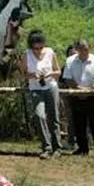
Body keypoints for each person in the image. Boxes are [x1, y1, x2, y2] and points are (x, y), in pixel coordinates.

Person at [18, 30, 63, 159]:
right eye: (35, 48)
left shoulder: (50, 52)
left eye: (40, 47)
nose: (38, 50)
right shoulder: (26, 55)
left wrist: (49, 74)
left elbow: (58, 71)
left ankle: (57, 147)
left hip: (50, 86)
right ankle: (46, 147)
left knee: (54, 117)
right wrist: (32, 75)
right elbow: (23, 74)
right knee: (39, 115)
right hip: (35, 88)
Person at [63, 39, 94, 156]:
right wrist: (79, 89)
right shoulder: (70, 61)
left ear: (90, 48)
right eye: (81, 49)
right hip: (76, 95)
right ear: (77, 49)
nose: (84, 51)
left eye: (86, 48)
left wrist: (90, 89)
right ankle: (82, 149)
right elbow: (67, 79)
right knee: (79, 123)